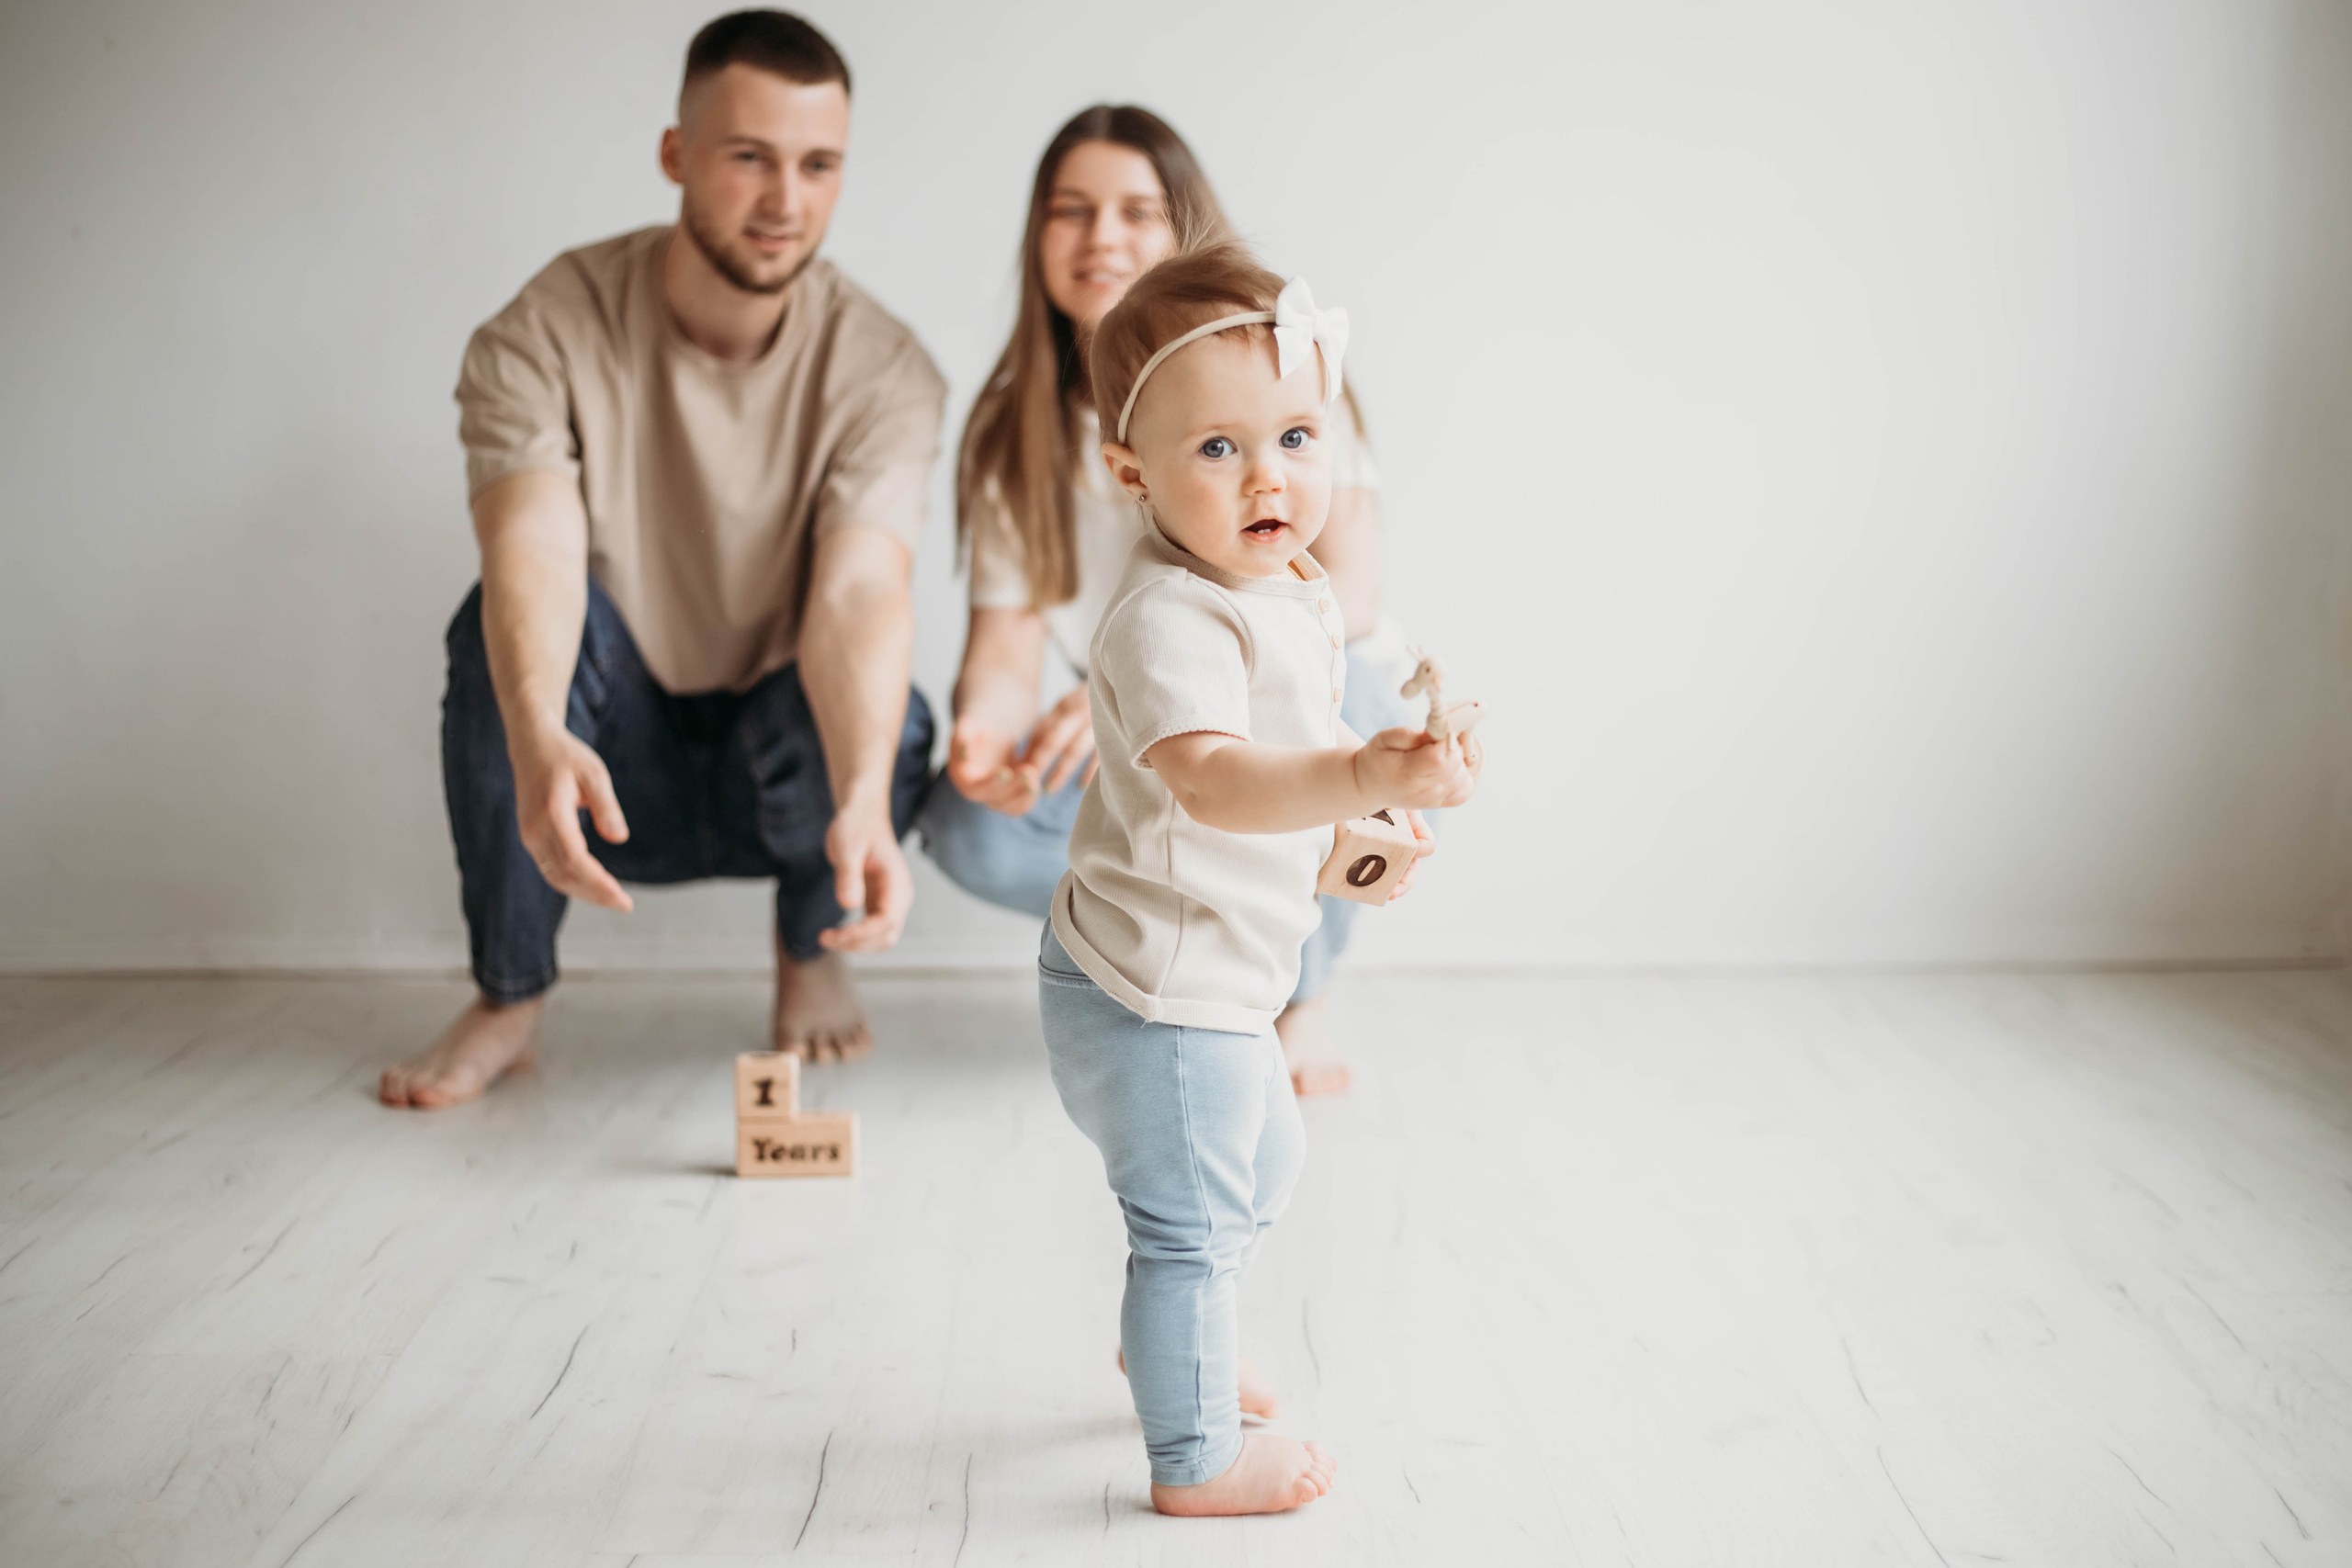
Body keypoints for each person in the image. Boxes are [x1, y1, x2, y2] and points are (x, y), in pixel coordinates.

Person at [381, 11, 944, 1109]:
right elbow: (532, 545)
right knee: (494, 625)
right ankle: (509, 998)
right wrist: (539, 733)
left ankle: (808, 952)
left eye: (817, 164)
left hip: (776, 771)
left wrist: (868, 796)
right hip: (602, 772)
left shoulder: (884, 366)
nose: (786, 202)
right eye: (748, 158)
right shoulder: (544, 328)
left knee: (897, 721)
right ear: (676, 154)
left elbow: (860, 591)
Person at [1039, 243, 1479, 1514]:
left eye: (1295, 433)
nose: (1269, 474)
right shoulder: (1173, 615)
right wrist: (1352, 774)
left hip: (1201, 969)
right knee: (1188, 1222)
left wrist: (1354, 839)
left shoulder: (1282, 583)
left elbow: (1269, 804)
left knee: (1263, 1159)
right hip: (1157, 992)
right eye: (1218, 449)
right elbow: (1221, 783)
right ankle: (1196, 1452)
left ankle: (1170, 1342)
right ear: (1132, 473)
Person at [917, 106, 1426, 1096]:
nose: (1101, 236)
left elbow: (1348, 599)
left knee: (1345, 714)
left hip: (1285, 692)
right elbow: (1006, 645)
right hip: (1157, 724)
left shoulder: (1284, 364)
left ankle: (1295, 997)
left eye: (1134, 212)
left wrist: (1149, 685)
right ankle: (1169, 952)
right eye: (1071, 211)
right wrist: (986, 736)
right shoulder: (1010, 433)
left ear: (1180, 229)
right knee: (966, 828)